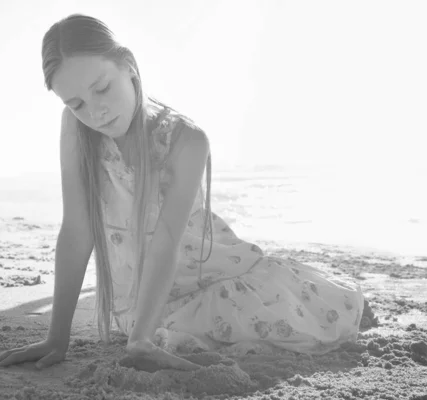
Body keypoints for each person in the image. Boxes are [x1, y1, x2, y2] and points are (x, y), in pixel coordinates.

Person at [0, 14, 365, 371]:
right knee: (169, 333)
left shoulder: (185, 140)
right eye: (76, 104)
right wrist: (56, 338)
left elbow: (167, 241)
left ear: (129, 66)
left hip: (203, 273)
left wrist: (140, 339)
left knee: (303, 316)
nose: (95, 111)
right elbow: (77, 231)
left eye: (102, 88)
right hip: (139, 299)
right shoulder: (77, 131)